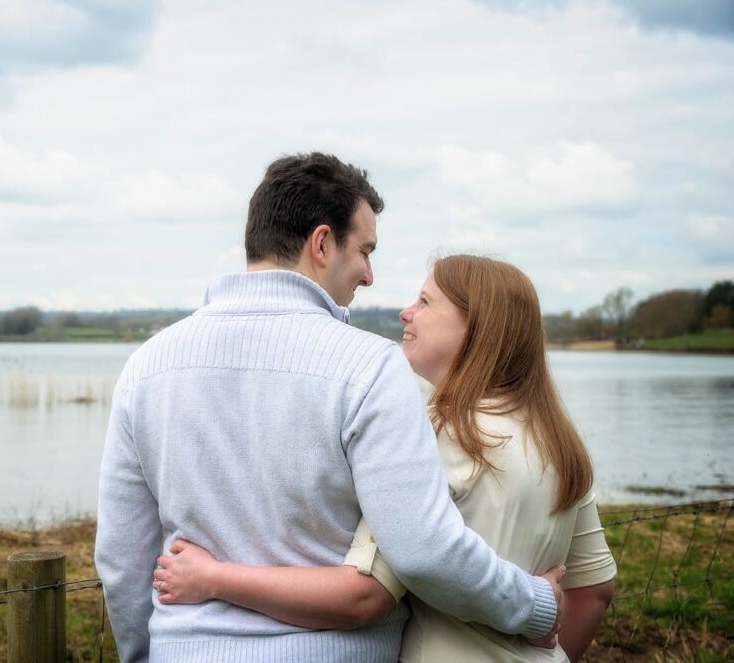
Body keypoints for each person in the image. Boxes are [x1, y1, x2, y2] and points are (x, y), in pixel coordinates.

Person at [95, 153, 561, 663]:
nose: (369, 276)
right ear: (321, 244)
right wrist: (536, 605)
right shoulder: (371, 367)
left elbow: (122, 558)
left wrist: (144, 654)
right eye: (365, 251)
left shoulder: (147, 365)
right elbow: (424, 550)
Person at [152, 255, 617, 662]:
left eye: (425, 302)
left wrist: (213, 578)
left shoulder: (434, 433)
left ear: (476, 326)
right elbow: (594, 591)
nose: (405, 312)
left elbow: (362, 596)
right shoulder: (560, 443)